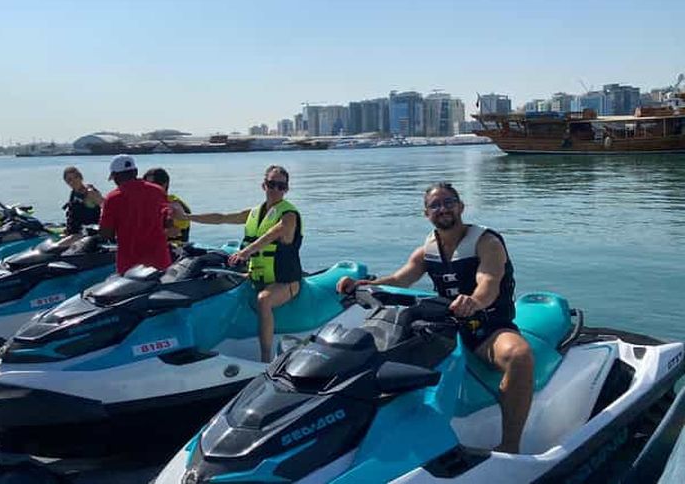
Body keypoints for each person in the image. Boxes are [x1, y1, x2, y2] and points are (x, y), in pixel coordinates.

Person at [337, 182, 534, 454]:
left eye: (449, 202)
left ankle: (511, 445)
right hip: (445, 327)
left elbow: (488, 285)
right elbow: (399, 279)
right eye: (435, 205)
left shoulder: (486, 243)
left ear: (461, 206)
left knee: (519, 356)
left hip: (487, 327)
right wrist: (361, 285)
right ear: (426, 214)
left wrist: (473, 301)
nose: (442, 209)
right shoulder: (426, 250)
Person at [187, 165, 302, 362]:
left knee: (263, 300)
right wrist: (187, 217)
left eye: (280, 186)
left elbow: (271, 235)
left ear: (286, 189)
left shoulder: (289, 215)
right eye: (271, 184)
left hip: (285, 282)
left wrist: (246, 251)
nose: (275, 189)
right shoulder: (254, 213)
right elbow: (221, 218)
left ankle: (265, 358)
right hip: (256, 276)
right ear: (263, 186)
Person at [98, 154, 172, 274]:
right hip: (160, 261)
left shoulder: (113, 198)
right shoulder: (158, 191)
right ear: (136, 171)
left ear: (115, 176)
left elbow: (106, 234)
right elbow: (168, 223)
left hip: (130, 266)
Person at [143, 167, 191, 246]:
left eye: (153, 185)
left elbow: (174, 232)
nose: (149, 189)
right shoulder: (145, 204)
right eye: (146, 185)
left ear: (164, 185)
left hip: (173, 249)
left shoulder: (175, 205)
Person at [62, 166, 103, 236]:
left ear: (81, 177)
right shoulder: (74, 193)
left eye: (75, 177)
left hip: (88, 234)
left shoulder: (90, 192)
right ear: (66, 182)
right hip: (75, 233)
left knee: (54, 247)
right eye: (69, 180)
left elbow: (107, 207)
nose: (73, 181)